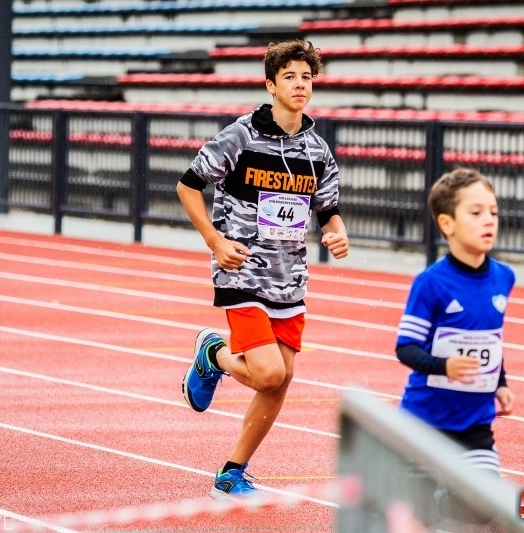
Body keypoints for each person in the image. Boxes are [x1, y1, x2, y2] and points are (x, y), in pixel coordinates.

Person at [176, 39, 349, 501]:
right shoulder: (241, 136)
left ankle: (231, 473)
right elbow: (188, 186)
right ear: (271, 85)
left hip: (289, 280)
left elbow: (329, 211)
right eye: (289, 76)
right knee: (269, 373)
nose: (300, 84)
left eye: (306, 77)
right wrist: (215, 241)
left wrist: (337, 233)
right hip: (243, 273)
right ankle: (213, 354)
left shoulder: (317, 151)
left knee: (281, 379)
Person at [394, 167, 516, 523]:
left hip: (475, 425)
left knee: (484, 509)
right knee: (413, 518)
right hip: (425, 422)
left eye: (493, 212)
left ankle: (443, 504)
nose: (489, 220)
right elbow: (405, 347)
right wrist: (444, 366)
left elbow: (490, 338)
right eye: (475, 212)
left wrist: (501, 382)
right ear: (447, 224)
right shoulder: (431, 283)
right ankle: (432, 505)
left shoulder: (504, 277)